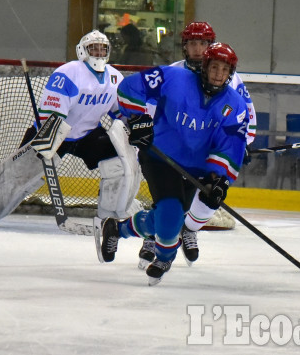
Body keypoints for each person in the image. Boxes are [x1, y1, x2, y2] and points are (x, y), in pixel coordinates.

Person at [96, 42, 248, 285]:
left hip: (195, 168)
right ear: (205, 67)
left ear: (231, 73)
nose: (219, 74)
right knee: (171, 211)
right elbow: (130, 87)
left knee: (170, 218)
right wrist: (138, 119)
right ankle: (165, 256)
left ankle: (118, 229)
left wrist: (218, 179)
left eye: (225, 69)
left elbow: (228, 145)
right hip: (160, 156)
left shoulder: (235, 106)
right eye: (215, 67)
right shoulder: (175, 78)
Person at [0, 30, 142, 226]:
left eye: (102, 48)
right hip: (52, 132)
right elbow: (52, 113)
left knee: (119, 158)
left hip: (87, 135)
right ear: (83, 51)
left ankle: (113, 212)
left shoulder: (114, 78)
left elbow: (121, 110)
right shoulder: (69, 72)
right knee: (19, 175)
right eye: (93, 48)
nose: (98, 53)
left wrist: (135, 125)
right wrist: (49, 141)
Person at [139, 22, 258, 269]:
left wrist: (242, 143)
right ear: (185, 46)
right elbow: (151, 106)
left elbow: (245, 113)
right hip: (170, 149)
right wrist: (147, 130)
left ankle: (188, 230)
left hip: (203, 154)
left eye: (203, 43)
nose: (197, 48)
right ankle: (153, 236)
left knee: (195, 196)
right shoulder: (174, 72)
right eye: (192, 43)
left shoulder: (230, 78)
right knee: (166, 196)